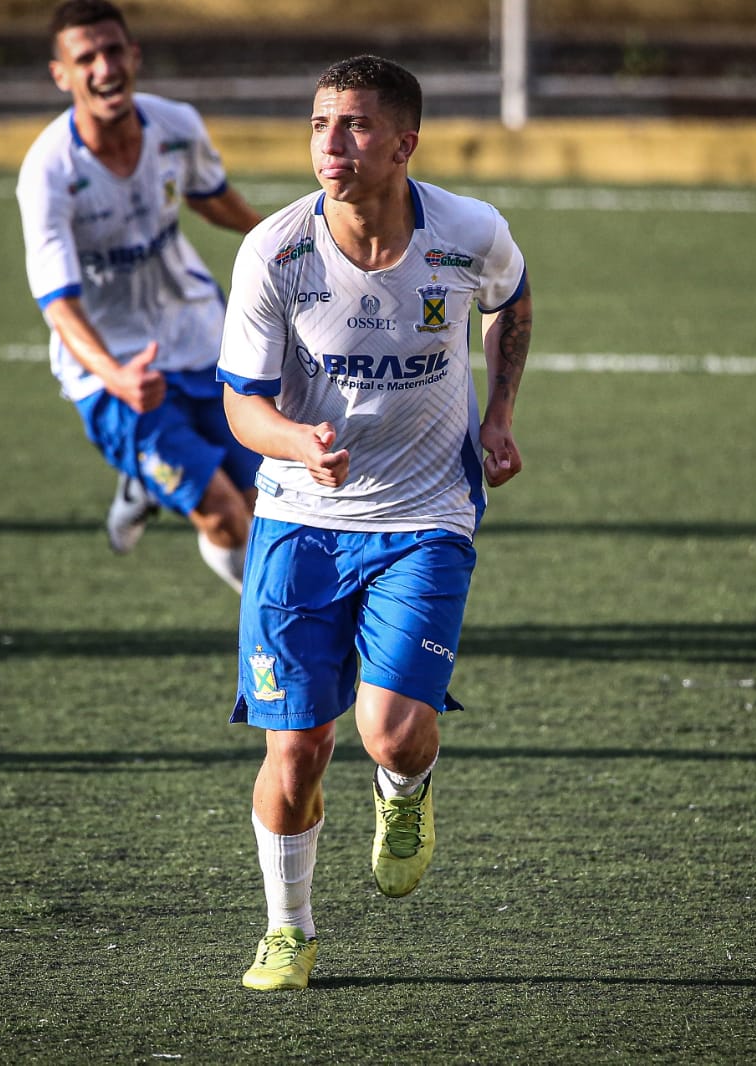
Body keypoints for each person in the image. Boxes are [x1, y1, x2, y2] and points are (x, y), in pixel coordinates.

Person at [216, 54, 533, 990]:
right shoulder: (275, 250)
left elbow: (510, 303)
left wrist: (501, 416)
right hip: (298, 521)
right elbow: (241, 406)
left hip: (426, 513)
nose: (330, 143)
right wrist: (294, 442)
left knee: (390, 733)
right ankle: (289, 932)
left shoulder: (468, 232)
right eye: (320, 124)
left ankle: (405, 788)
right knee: (298, 746)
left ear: (404, 144)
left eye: (353, 126)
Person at [16, 0, 262, 591]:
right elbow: (58, 303)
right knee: (228, 518)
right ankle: (278, 637)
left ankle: (143, 483)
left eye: (113, 51)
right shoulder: (49, 171)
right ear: (63, 75)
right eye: (86, 57)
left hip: (204, 338)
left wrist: (279, 239)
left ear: (134, 56)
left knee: (271, 507)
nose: (104, 67)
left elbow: (210, 194)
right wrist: (116, 377)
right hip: (116, 372)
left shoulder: (176, 127)